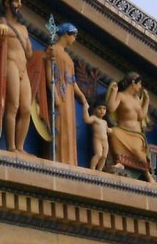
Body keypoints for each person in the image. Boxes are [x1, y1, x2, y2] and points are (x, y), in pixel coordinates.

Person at [0, 0, 34, 152]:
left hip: (23, 68)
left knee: (26, 108)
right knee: (13, 105)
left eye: (20, 2)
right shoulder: (0, 23)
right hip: (10, 64)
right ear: (7, 3)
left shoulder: (23, 29)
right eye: (16, 1)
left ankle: (21, 147)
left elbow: (29, 54)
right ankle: (11, 146)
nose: (19, 5)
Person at [105, 72, 156, 182]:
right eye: (139, 84)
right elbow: (111, 108)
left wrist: (146, 101)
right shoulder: (121, 95)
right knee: (114, 133)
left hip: (137, 135)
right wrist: (114, 92)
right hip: (122, 130)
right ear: (133, 83)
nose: (140, 87)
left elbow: (141, 116)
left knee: (138, 151)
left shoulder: (137, 99)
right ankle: (120, 162)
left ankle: (147, 174)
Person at [47, 23, 85, 166]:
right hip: (60, 94)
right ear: (66, 34)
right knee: (60, 126)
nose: (74, 39)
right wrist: (54, 94)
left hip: (69, 97)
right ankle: (59, 159)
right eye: (73, 35)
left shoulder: (68, 57)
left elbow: (72, 80)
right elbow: (49, 73)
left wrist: (82, 97)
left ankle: (69, 160)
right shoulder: (53, 50)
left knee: (69, 128)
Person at [80, 98, 110, 171]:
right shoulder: (94, 118)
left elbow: (107, 130)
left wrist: (112, 130)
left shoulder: (105, 122)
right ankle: (92, 168)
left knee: (104, 156)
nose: (102, 111)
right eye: (99, 108)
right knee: (98, 154)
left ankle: (100, 169)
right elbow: (87, 120)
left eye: (104, 109)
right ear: (95, 109)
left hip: (105, 141)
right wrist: (85, 110)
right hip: (98, 140)